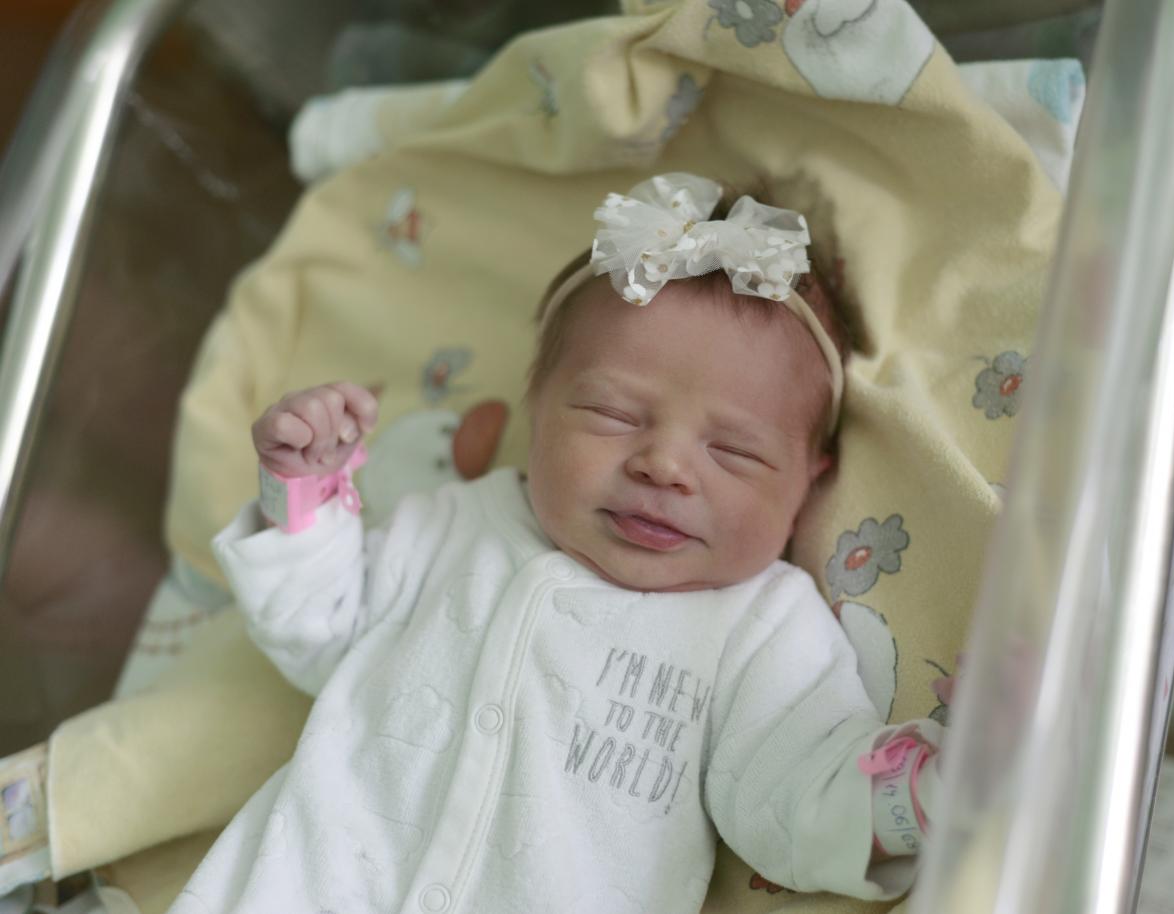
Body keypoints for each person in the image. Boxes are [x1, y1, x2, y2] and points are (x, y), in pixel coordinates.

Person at [168, 173, 943, 914]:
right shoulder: (458, 526)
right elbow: (319, 626)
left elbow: (800, 800)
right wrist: (302, 485)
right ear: (536, 403)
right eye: (613, 415)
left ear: (810, 480)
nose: (664, 466)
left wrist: (935, 795)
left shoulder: (760, 627)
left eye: (734, 453)